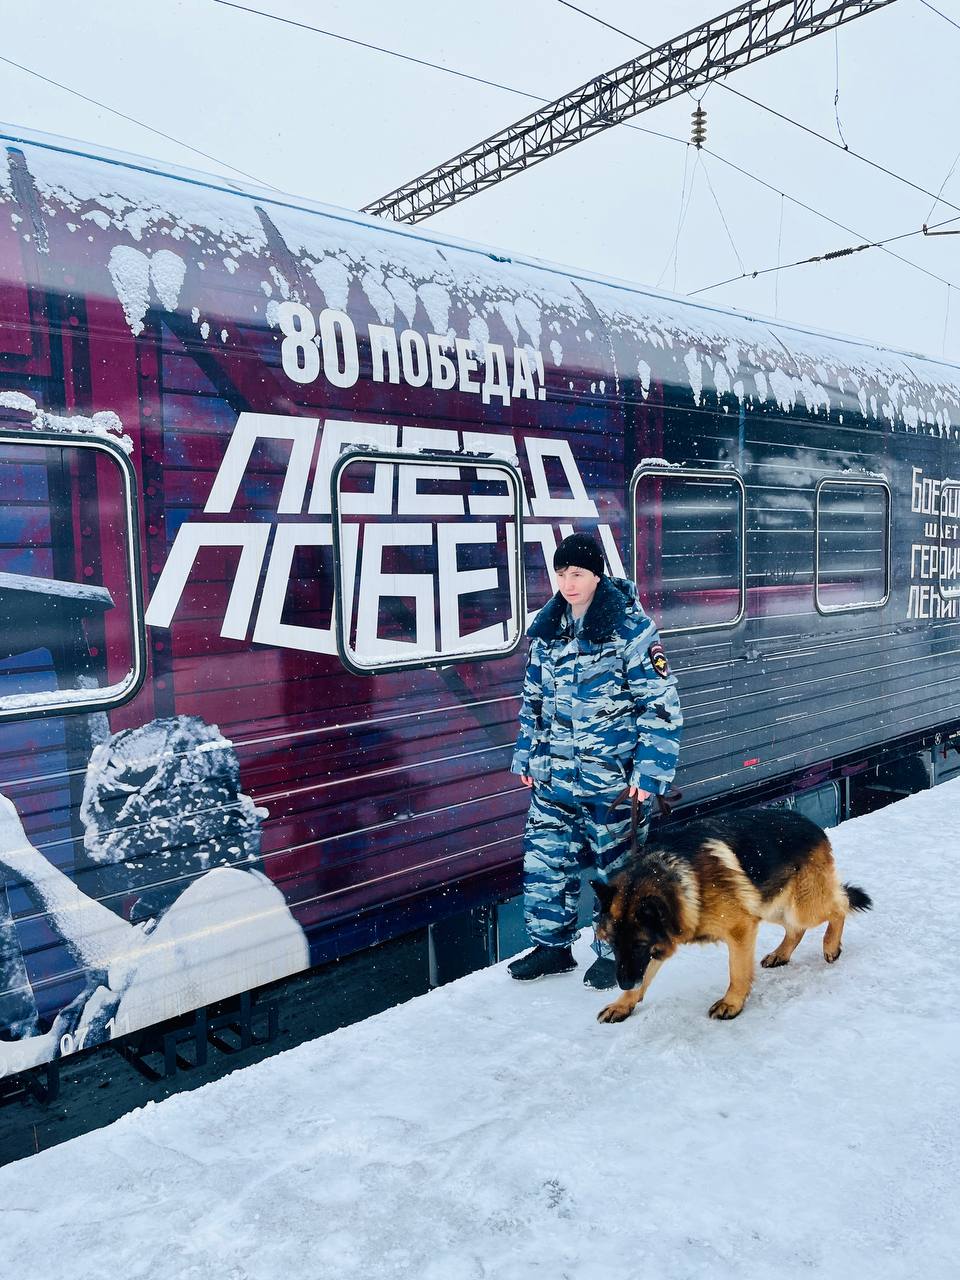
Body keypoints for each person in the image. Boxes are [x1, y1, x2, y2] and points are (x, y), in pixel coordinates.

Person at [508, 533, 683, 988]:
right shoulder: (548, 630)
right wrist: (527, 755)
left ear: (597, 575)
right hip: (554, 778)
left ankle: (615, 950)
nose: (568, 583)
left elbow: (660, 704)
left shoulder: (631, 630)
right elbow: (533, 702)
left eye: (577, 574)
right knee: (546, 863)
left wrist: (650, 773)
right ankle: (551, 947)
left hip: (612, 781)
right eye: (561, 574)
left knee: (617, 874)